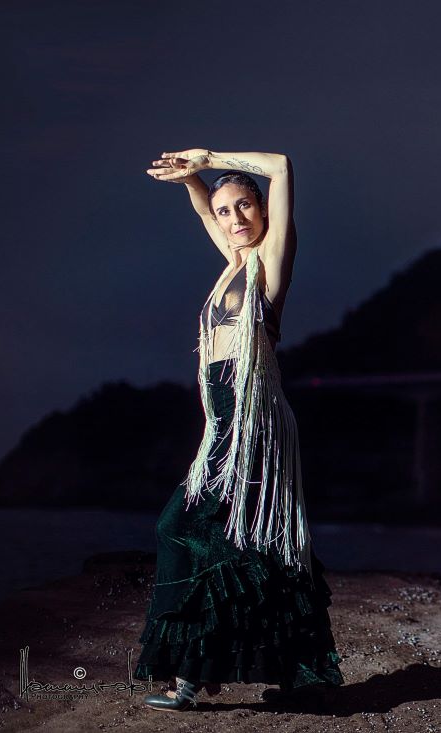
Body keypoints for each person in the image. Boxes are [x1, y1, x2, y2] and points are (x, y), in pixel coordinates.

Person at [133, 149, 344, 711]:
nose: (234, 218)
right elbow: (203, 208)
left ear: (262, 209)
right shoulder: (231, 257)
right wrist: (192, 179)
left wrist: (208, 155)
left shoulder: (270, 258)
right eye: (226, 211)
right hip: (223, 422)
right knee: (249, 544)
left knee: (180, 530)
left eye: (244, 204)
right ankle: (293, 672)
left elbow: (280, 165)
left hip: (253, 422)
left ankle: (189, 675)